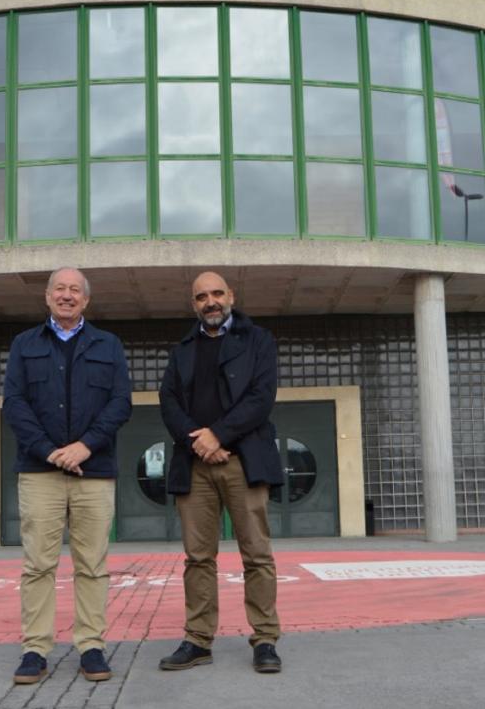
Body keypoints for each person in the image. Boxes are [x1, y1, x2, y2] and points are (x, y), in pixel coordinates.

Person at [3, 267, 131, 685]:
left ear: (86, 300)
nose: (67, 295)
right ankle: (35, 650)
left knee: (92, 564)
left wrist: (85, 446)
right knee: (38, 564)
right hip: (40, 471)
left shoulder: (108, 345)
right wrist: (51, 452)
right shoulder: (24, 345)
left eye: (75, 289)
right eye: (60, 288)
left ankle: (91, 645)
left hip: (94, 471)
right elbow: (15, 403)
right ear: (47, 296)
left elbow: (120, 402)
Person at [158, 271, 284, 674]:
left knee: (257, 555)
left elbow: (261, 398)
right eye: (201, 297)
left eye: (216, 293)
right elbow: (168, 400)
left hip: (242, 461)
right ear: (193, 304)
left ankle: (264, 639)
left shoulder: (259, 340)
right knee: (198, 558)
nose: (210, 301)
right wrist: (198, 441)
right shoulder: (182, 349)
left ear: (230, 295)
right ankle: (198, 640)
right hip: (194, 464)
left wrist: (218, 435)